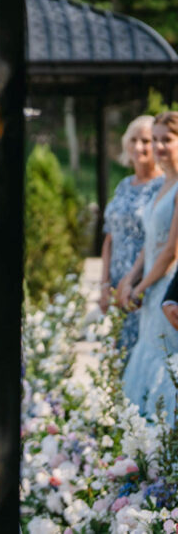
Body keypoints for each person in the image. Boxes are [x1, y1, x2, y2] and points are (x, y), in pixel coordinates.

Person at [119, 111, 178, 423]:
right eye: (155, 139)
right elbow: (150, 243)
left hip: (167, 288)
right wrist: (130, 277)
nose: (158, 146)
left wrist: (140, 288)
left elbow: (171, 250)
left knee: (165, 365)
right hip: (150, 289)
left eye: (166, 140)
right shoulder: (163, 185)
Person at [99, 116, 164, 357]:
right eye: (134, 140)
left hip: (143, 283)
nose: (139, 147)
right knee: (119, 355)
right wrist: (105, 284)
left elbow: (158, 238)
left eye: (146, 141)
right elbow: (109, 237)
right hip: (117, 285)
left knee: (140, 355)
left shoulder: (164, 186)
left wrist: (130, 281)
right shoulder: (124, 185)